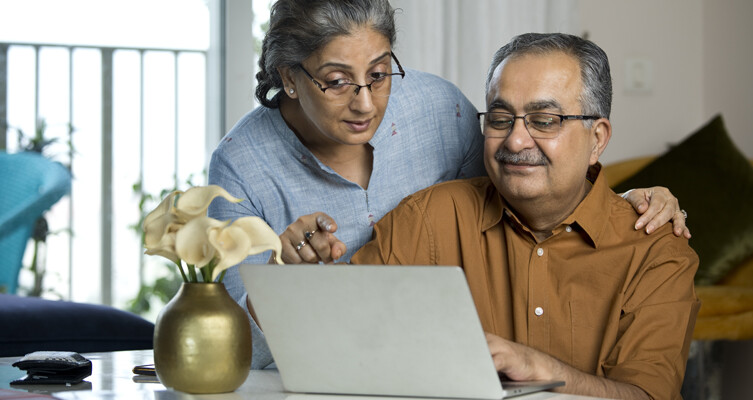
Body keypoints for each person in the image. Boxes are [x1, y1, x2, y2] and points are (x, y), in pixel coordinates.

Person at [208, 0, 689, 370]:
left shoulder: (441, 110)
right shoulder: (241, 167)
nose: (365, 103)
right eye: (337, 81)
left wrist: (609, 203)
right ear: (290, 78)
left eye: (378, 74)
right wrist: (278, 283)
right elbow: (235, 351)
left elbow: (522, 186)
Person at [348, 33, 700, 399]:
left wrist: (547, 373)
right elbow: (342, 335)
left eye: (544, 120)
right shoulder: (429, 218)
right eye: (500, 119)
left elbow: (648, 394)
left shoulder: (655, 250)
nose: (515, 141)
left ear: (597, 139)